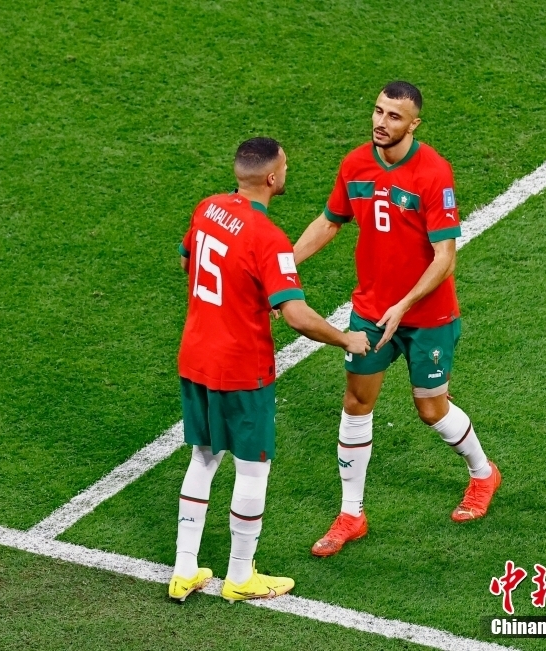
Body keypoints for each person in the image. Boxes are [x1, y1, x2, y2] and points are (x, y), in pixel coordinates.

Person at [292, 81, 501, 558]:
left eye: (393, 116)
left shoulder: (433, 173)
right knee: (356, 402)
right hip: (369, 311)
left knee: (431, 410)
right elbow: (330, 221)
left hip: (428, 316)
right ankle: (351, 514)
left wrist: (403, 305)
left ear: (413, 124)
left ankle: (484, 474)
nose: (381, 123)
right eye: (378, 111)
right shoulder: (355, 164)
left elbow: (445, 256)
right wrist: (284, 265)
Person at [169, 137, 371, 602]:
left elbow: (186, 261)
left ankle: (183, 570)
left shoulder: (207, 208)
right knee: (252, 468)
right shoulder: (269, 238)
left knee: (203, 457)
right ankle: (240, 577)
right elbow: (297, 316)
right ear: (273, 177)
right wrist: (346, 338)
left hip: (195, 356)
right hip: (241, 367)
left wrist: (240, 295)